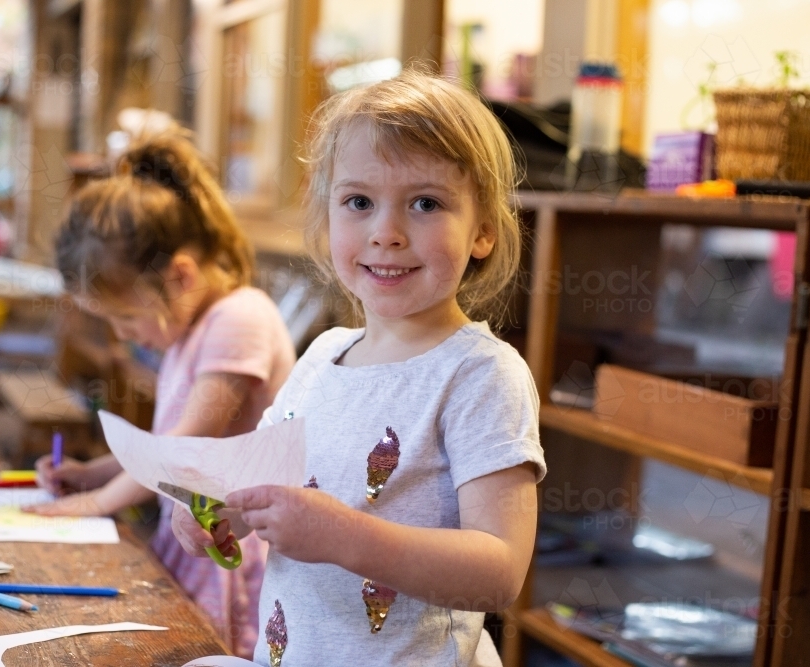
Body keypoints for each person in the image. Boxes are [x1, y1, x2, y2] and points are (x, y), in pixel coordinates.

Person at [172, 71, 545, 666]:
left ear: (483, 232)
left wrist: (345, 538)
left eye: (425, 203)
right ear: (327, 217)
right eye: (359, 202)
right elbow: (259, 481)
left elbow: (499, 573)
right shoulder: (321, 355)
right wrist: (219, 509)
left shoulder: (479, 375)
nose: (386, 233)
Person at [26, 127, 296, 659]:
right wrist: (93, 471)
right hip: (190, 538)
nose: (125, 335)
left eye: (125, 317)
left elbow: (182, 451)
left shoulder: (240, 319)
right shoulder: (190, 326)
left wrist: (98, 503)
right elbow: (162, 442)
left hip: (227, 551)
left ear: (179, 276)